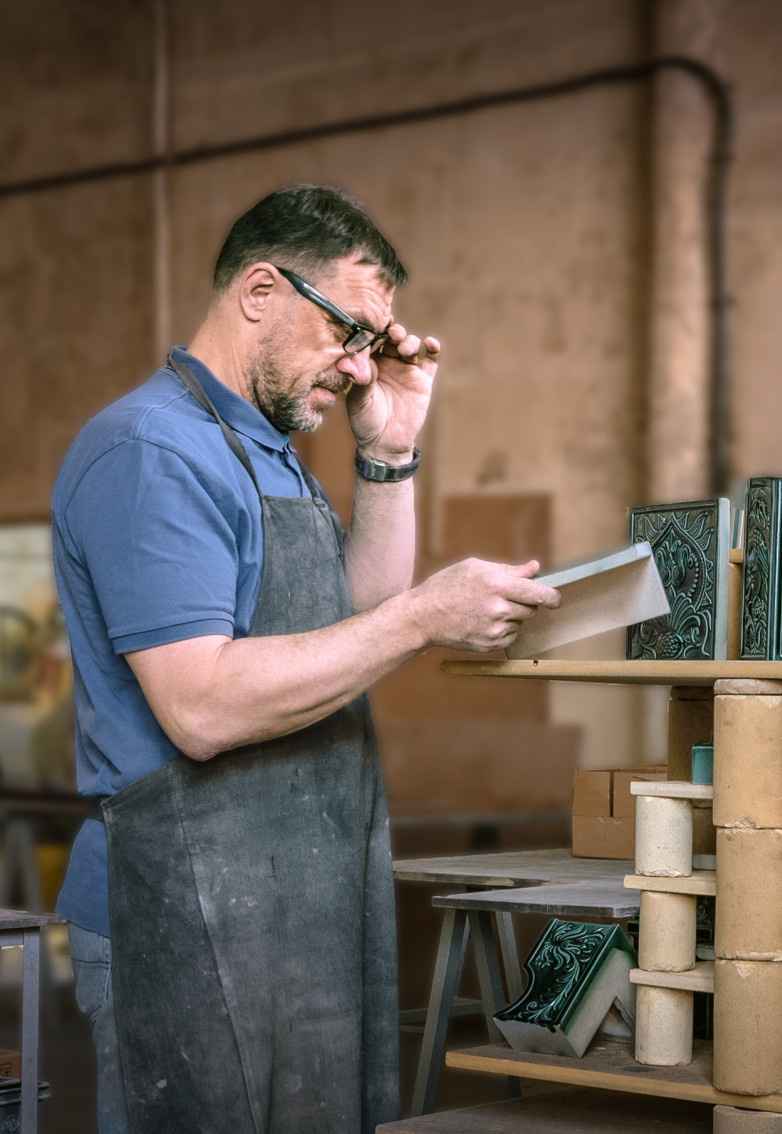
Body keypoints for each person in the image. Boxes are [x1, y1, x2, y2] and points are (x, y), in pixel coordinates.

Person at [52, 184, 559, 1134]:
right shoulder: (154, 452)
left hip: (294, 897)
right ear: (259, 291)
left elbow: (346, 624)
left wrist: (391, 453)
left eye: (375, 344)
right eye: (349, 332)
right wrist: (420, 618)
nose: (360, 367)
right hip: (183, 912)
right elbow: (200, 707)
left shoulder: (267, 451)